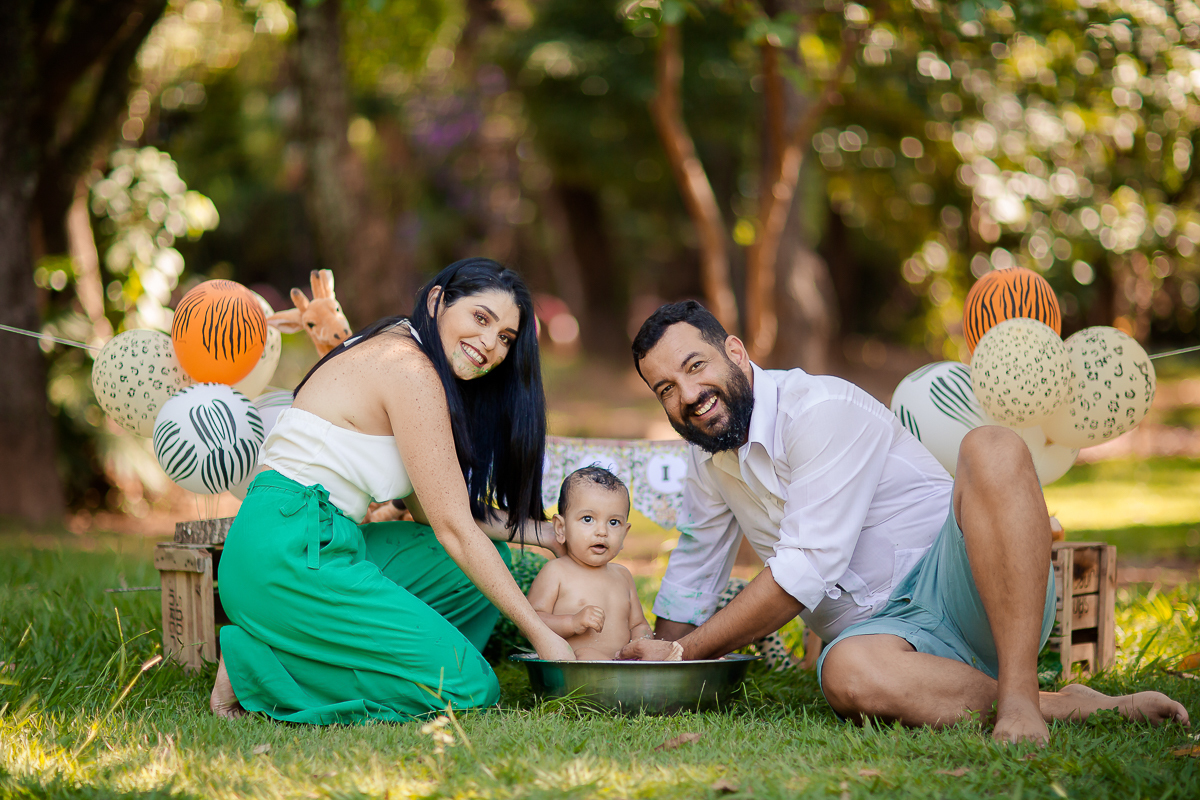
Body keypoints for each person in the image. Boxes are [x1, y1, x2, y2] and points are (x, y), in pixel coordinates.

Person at [619, 300, 1189, 744]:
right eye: (666, 389)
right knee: (844, 674)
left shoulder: (817, 409)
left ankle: (1019, 699)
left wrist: (683, 654)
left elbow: (804, 570)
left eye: (696, 367)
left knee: (991, 445)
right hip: (883, 642)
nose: (690, 396)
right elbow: (695, 568)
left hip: (971, 592)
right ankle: (1059, 702)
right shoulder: (707, 456)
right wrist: (650, 662)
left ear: (736, 353)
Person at [209, 258, 576, 725]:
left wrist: (540, 532)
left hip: (318, 539)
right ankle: (258, 666)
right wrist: (542, 634)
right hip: (285, 553)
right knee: (470, 687)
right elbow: (455, 529)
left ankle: (323, 650)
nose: (490, 344)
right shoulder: (409, 369)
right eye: (481, 318)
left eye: (506, 337)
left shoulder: (407, 352)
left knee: (481, 570)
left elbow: (434, 513)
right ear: (438, 300)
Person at [526, 466, 682, 661]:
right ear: (561, 528)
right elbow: (531, 621)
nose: (602, 531)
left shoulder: (622, 576)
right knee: (585, 654)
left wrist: (640, 643)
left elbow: (638, 625)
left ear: (625, 533)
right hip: (575, 664)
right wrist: (571, 622)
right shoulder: (556, 572)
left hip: (621, 664)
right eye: (588, 519)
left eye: (614, 522)